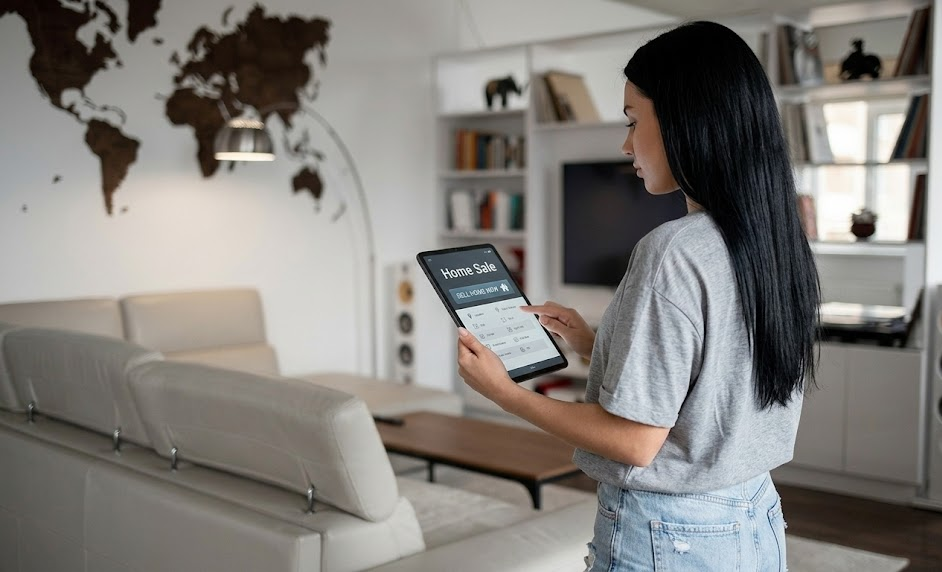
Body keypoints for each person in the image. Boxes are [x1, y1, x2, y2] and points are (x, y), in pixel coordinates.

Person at [455, 20, 819, 572]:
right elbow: (713, 380)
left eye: (633, 121)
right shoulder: (774, 238)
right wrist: (590, 341)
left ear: (685, 121)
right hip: (755, 515)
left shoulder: (673, 251)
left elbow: (634, 442)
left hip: (671, 534)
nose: (626, 145)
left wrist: (505, 394)